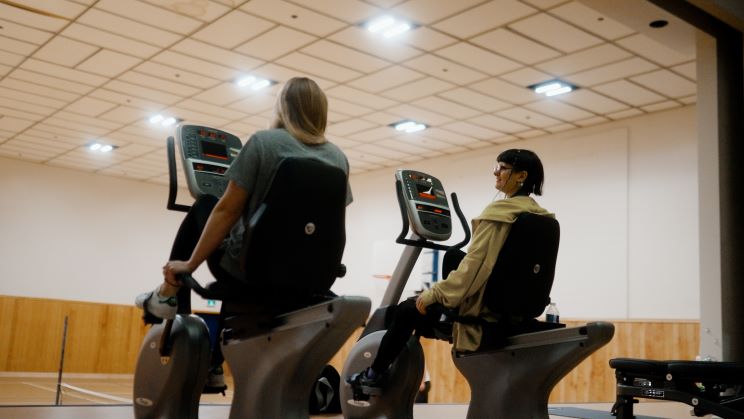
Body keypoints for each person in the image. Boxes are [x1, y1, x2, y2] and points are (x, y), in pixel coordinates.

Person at [135, 76, 352, 388]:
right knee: (245, 259)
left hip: (253, 269)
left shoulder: (264, 143)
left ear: (284, 107)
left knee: (207, 205)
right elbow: (331, 222)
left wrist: (190, 265)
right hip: (312, 278)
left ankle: (169, 295)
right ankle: (213, 364)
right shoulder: (338, 158)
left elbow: (226, 210)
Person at [349, 148, 553, 396]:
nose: (496, 172)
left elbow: (474, 269)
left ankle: (372, 376)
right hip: (511, 313)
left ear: (521, 176)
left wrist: (432, 296)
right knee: (454, 256)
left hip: (480, 316)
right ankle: (443, 317)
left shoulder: (500, 215)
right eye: (496, 166)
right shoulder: (540, 217)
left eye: (502, 168)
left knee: (403, 311)